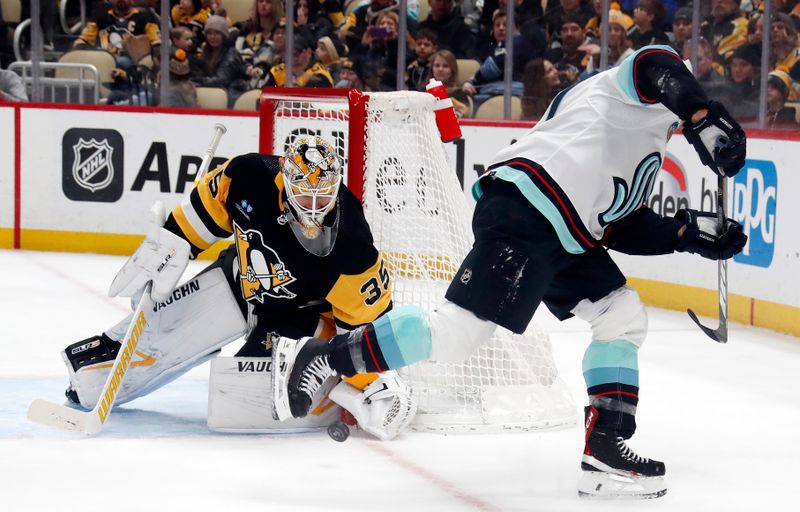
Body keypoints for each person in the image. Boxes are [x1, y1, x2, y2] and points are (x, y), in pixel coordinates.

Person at [272, 45, 748, 499]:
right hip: (530, 209)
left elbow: (616, 226)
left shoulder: (643, 147)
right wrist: (703, 116)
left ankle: (605, 450)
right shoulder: (631, 89)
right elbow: (654, 63)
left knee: (621, 315)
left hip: (563, 230)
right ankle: (328, 356)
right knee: (456, 336)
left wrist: (684, 236)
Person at [61, 136, 416, 441]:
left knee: (238, 403)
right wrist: (171, 243)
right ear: (285, 181)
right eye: (304, 198)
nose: (312, 209)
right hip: (239, 281)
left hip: (298, 315)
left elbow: (366, 328)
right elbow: (205, 211)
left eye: (322, 199)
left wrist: (366, 381)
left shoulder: (353, 246)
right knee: (140, 347)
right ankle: (91, 375)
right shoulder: (249, 176)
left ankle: (317, 377)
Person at [191, 15, 249, 108]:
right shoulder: (206, 52)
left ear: (224, 35)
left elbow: (221, 80)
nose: (212, 37)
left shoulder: (231, 53)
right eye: (209, 33)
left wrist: (196, 80)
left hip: (232, 96)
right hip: (213, 94)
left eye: (217, 33)